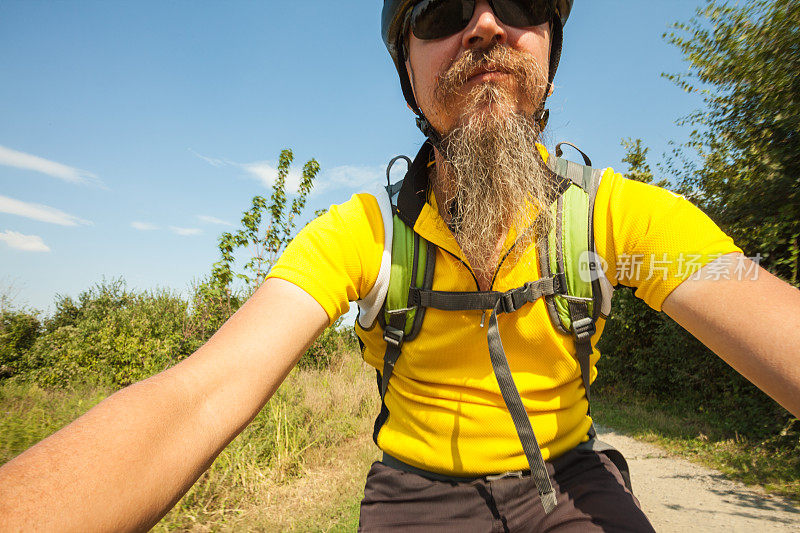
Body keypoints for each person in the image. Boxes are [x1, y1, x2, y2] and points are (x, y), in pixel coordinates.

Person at [1, 1, 799, 531]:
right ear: (409, 72)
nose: (485, 23)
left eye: (518, 0)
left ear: (549, 48)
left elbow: (755, 302)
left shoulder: (617, 216)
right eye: (444, 9)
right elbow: (197, 395)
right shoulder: (363, 234)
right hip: (415, 491)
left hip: (567, 473)